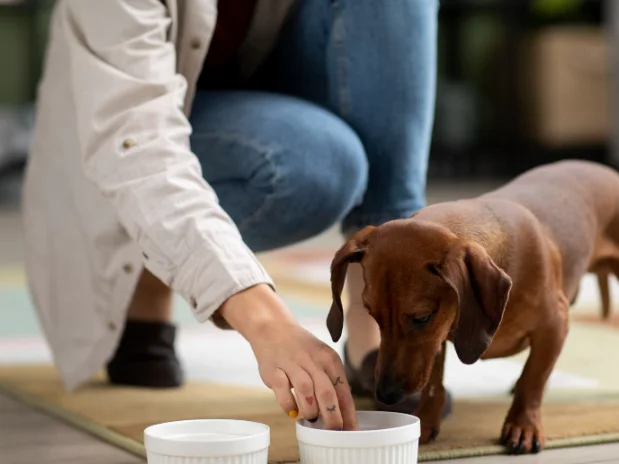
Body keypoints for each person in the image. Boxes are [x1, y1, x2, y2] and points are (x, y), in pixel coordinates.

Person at [22, 0, 441, 430]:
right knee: (320, 168)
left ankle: (375, 320)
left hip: (270, 91)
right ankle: (144, 276)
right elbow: (138, 144)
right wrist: (267, 323)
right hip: (134, 135)